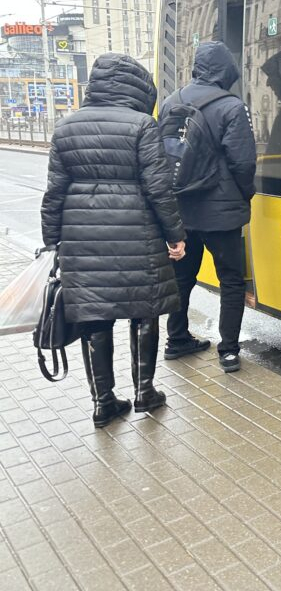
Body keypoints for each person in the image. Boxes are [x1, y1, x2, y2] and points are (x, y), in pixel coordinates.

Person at [40, 53, 186, 428]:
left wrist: (53, 241)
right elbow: (158, 188)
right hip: (138, 236)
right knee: (145, 311)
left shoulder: (66, 127)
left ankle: (103, 403)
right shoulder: (142, 125)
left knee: (94, 316)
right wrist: (175, 236)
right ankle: (144, 393)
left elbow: (54, 193)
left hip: (82, 242)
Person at [162, 41, 256, 373]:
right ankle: (228, 351)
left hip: (180, 209)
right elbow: (243, 162)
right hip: (221, 212)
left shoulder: (170, 102)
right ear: (226, 70)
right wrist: (246, 195)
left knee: (182, 276)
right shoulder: (231, 106)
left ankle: (176, 340)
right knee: (230, 279)